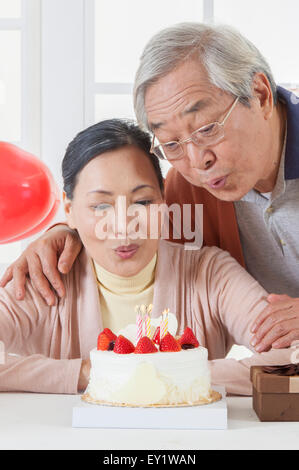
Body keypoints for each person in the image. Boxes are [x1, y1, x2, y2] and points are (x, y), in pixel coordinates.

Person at [1, 23, 299, 353]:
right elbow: (134, 225)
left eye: (207, 129)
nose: (198, 161)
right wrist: (66, 234)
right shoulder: (192, 188)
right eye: (172, 144)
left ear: (260, 95)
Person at [0, 119, 293, 395]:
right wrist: (87, 372)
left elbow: (290, 356)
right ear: (69, 209)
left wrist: (169, 374)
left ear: (164, 202)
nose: (124, 225)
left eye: (142, 201)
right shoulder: (44, 276)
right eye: (100, 206)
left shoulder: (210, 272)